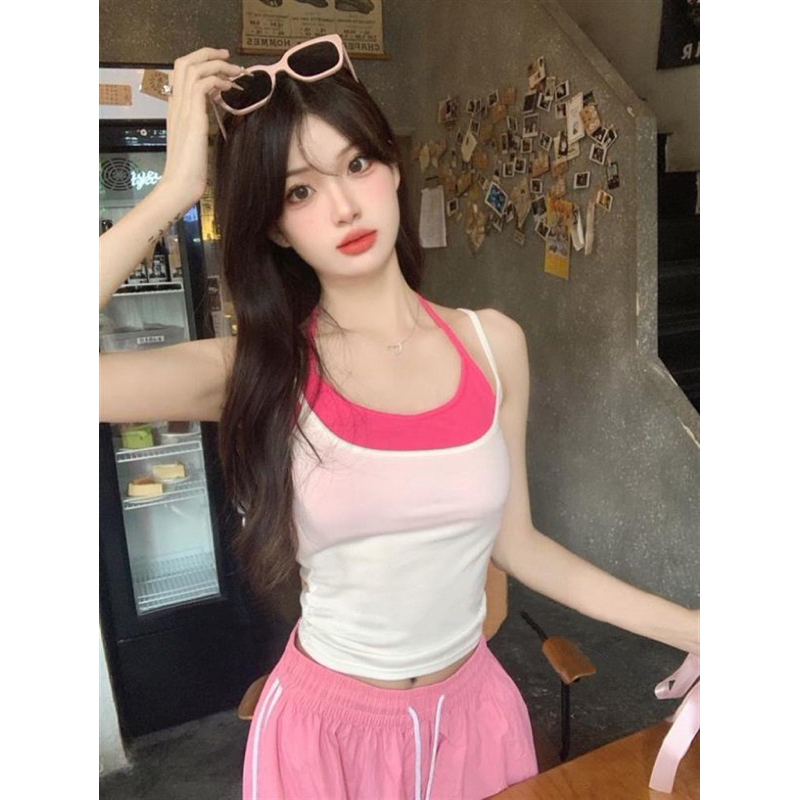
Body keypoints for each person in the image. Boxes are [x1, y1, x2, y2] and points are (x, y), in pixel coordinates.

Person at [99, 39, 699, 800]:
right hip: (325, 740)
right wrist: (172, 191)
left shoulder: (493, 344)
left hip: (476, 721)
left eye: (356, 165)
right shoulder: (257, 366)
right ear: (276, 227)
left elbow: (519, 545)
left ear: (393, 169)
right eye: (299, 192)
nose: (344, 206)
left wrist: (694, 628)